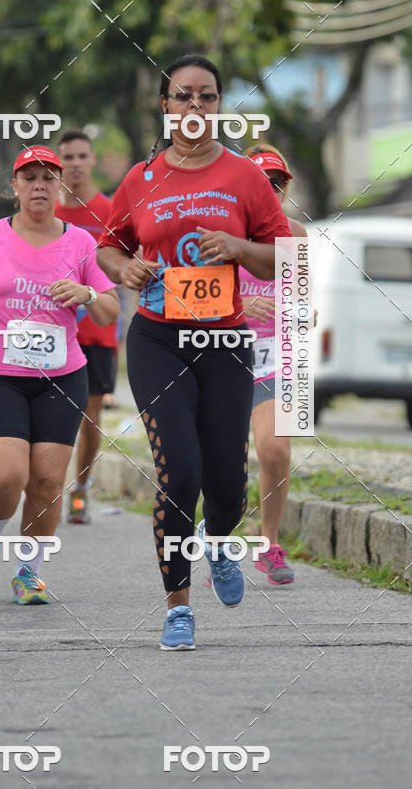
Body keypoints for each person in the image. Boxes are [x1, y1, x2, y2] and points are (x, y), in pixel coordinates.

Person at [97, 55, 292, 650]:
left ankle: (217, 537)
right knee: (178, 471)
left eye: (207, 97)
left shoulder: (244, 178)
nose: (195, 108)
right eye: (183, 97)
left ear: (219, 107)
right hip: (159, 339)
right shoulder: (141, 178)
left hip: (226, 341)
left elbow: (285, 255)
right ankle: (178, 605)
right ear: (166, 106)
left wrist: (236, 244)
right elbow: (108, 247)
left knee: (228, 485)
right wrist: (124, 266)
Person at [0, 145, 119, 603]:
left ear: (60, 186)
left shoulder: (81, 243)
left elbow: (108, 312)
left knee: (46, 482)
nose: (39, 185)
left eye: (48, 177)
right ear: (15, 188)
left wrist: (86, 291)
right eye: (30, 178)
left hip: (62, 376)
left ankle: (28, 571)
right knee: (6, 475)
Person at [238, 144, 307, 586]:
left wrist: (304, 311)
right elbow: (192, 297)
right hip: (219, 354)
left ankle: (268, 545)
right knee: (220, 462)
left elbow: (301, 297)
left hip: (272, 360)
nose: (271, 190)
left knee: (275, 451)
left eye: (278, 183)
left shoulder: (294, 235)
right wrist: (243, 302)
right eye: (262, 182)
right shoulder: (221, 231)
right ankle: (220, 542)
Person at [55, 128, 118, 524]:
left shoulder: (110, 211)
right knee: (52, 415)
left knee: (90, 417)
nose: (75, 164)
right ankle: (44, 486)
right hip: (52, 332)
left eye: (82, 156)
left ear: (93, 160)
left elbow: (122, 264)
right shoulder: (47, 214)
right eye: (68, 158)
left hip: (97, 330)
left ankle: (80, 487)